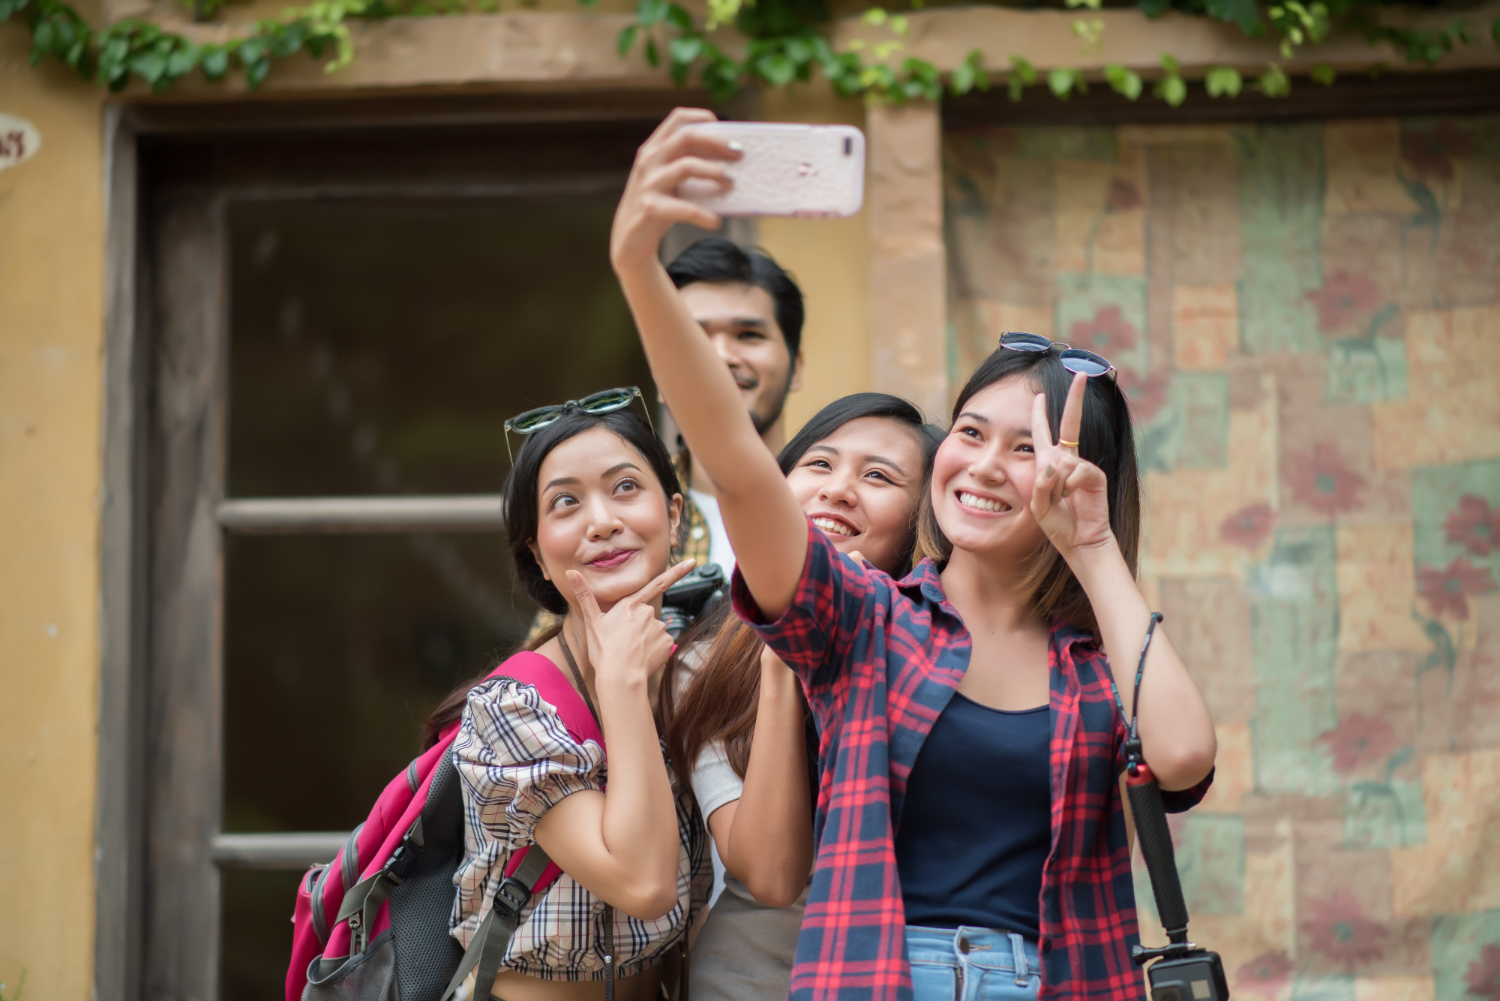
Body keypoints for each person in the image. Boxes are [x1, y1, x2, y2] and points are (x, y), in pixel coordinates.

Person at [609, 108, 1219, 1001]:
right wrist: (636, 264)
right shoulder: (869, 616)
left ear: (1082, 474)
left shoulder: (1098, 661)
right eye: (971, 431)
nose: (983, 463)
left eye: (1028, 447)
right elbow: (741, 468)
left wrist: (1091, 548)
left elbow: (1182, 756)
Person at [425, 396, 711, 1001]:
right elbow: (644, 884)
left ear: (675, 513)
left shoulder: (699, 677)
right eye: (566, 502)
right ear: (535, 550)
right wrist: (622, 685)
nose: (601, 521)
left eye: (626, 487)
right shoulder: (513, 708)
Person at [663, 394, 944, 1001]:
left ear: (926, 520)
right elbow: (766, 874)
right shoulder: (705, 661)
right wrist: (786, 647)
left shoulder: (947, 658)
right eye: (819, 464)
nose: (838, 490)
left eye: (877, 476)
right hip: (752, 984)